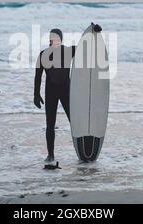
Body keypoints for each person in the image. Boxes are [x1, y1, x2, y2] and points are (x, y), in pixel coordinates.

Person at [34, 25, 101, 163]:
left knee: (76, 122)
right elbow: (38, 76)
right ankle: (50, 154)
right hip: (50, 92)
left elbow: (87, 47)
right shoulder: (42, 55)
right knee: (50, 125)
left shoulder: (69, 51)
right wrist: (36, 94)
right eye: (53, 38)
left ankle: (85, 149)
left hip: (67, 92)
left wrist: (95, 32)